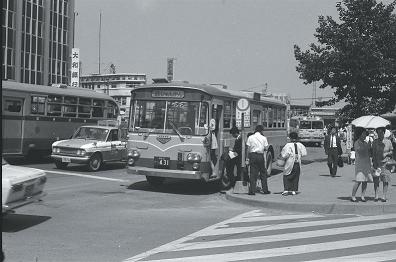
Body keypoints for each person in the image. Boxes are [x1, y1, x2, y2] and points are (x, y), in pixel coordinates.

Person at [245, 125, 270, 195]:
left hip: (252, 156)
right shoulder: (264, 138)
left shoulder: (250, 137)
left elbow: (248, 149)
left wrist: (247, 158)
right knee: (263, 173)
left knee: (253, 174)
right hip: (260, 156)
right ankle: (265, 190)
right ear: (261, 131)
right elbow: (266, 148)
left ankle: (252, 191)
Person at [371, 127, 393, 202]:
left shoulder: (388, 141)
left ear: (384, 133)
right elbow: (373, 153)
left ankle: (384, 196)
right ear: (377, 133)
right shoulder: (374, 142)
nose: (380, 134)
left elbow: (391, 151)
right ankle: (376, 195)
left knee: (385, 180)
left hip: (386, 164)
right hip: (377, 164)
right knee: (376, 180)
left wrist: (386, 153)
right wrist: (373, 162)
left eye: (381, 132)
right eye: (378, 132)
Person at [351, 127, 372, 202]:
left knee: (365, 180)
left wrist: (369, 147)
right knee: (358, 180)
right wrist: (366, 147)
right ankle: (353, 195)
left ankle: (363, 195)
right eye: (363, 133)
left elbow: (368, 153)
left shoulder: (365, 142)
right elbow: (360, 152)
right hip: (360, 164)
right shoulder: (357, 142)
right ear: (360, 134)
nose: (365, 135)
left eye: (365, 134)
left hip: (366, 163)